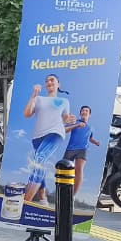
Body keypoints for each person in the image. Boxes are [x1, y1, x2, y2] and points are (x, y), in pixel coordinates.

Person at [23, 74, 73, 203]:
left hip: (55, 133)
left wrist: (69, 121)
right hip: (37, 137)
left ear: (58, 84)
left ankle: (26, 201)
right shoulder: (39, 99)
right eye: (46, 81)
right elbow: (27, 114)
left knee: (39, 160)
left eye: (52, 80)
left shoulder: (64, 101)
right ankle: (42, 197)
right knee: (40, 163)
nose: (49, 82)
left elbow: (65, 120)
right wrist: (34, 95)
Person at [64, 106, 101, 195]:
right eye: (82, 110)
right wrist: (77, 125)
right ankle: (63, 190)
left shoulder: (90, 127)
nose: (84, 112)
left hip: (83, 149)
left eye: (86, 110)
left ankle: (72, 195)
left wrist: (96, 142)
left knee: (79, 169)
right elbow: (65, 130)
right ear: (80, 113)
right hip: (70, 149)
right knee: (65, 169)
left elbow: (90, 138)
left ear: (89, 114)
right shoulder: (75, 121)